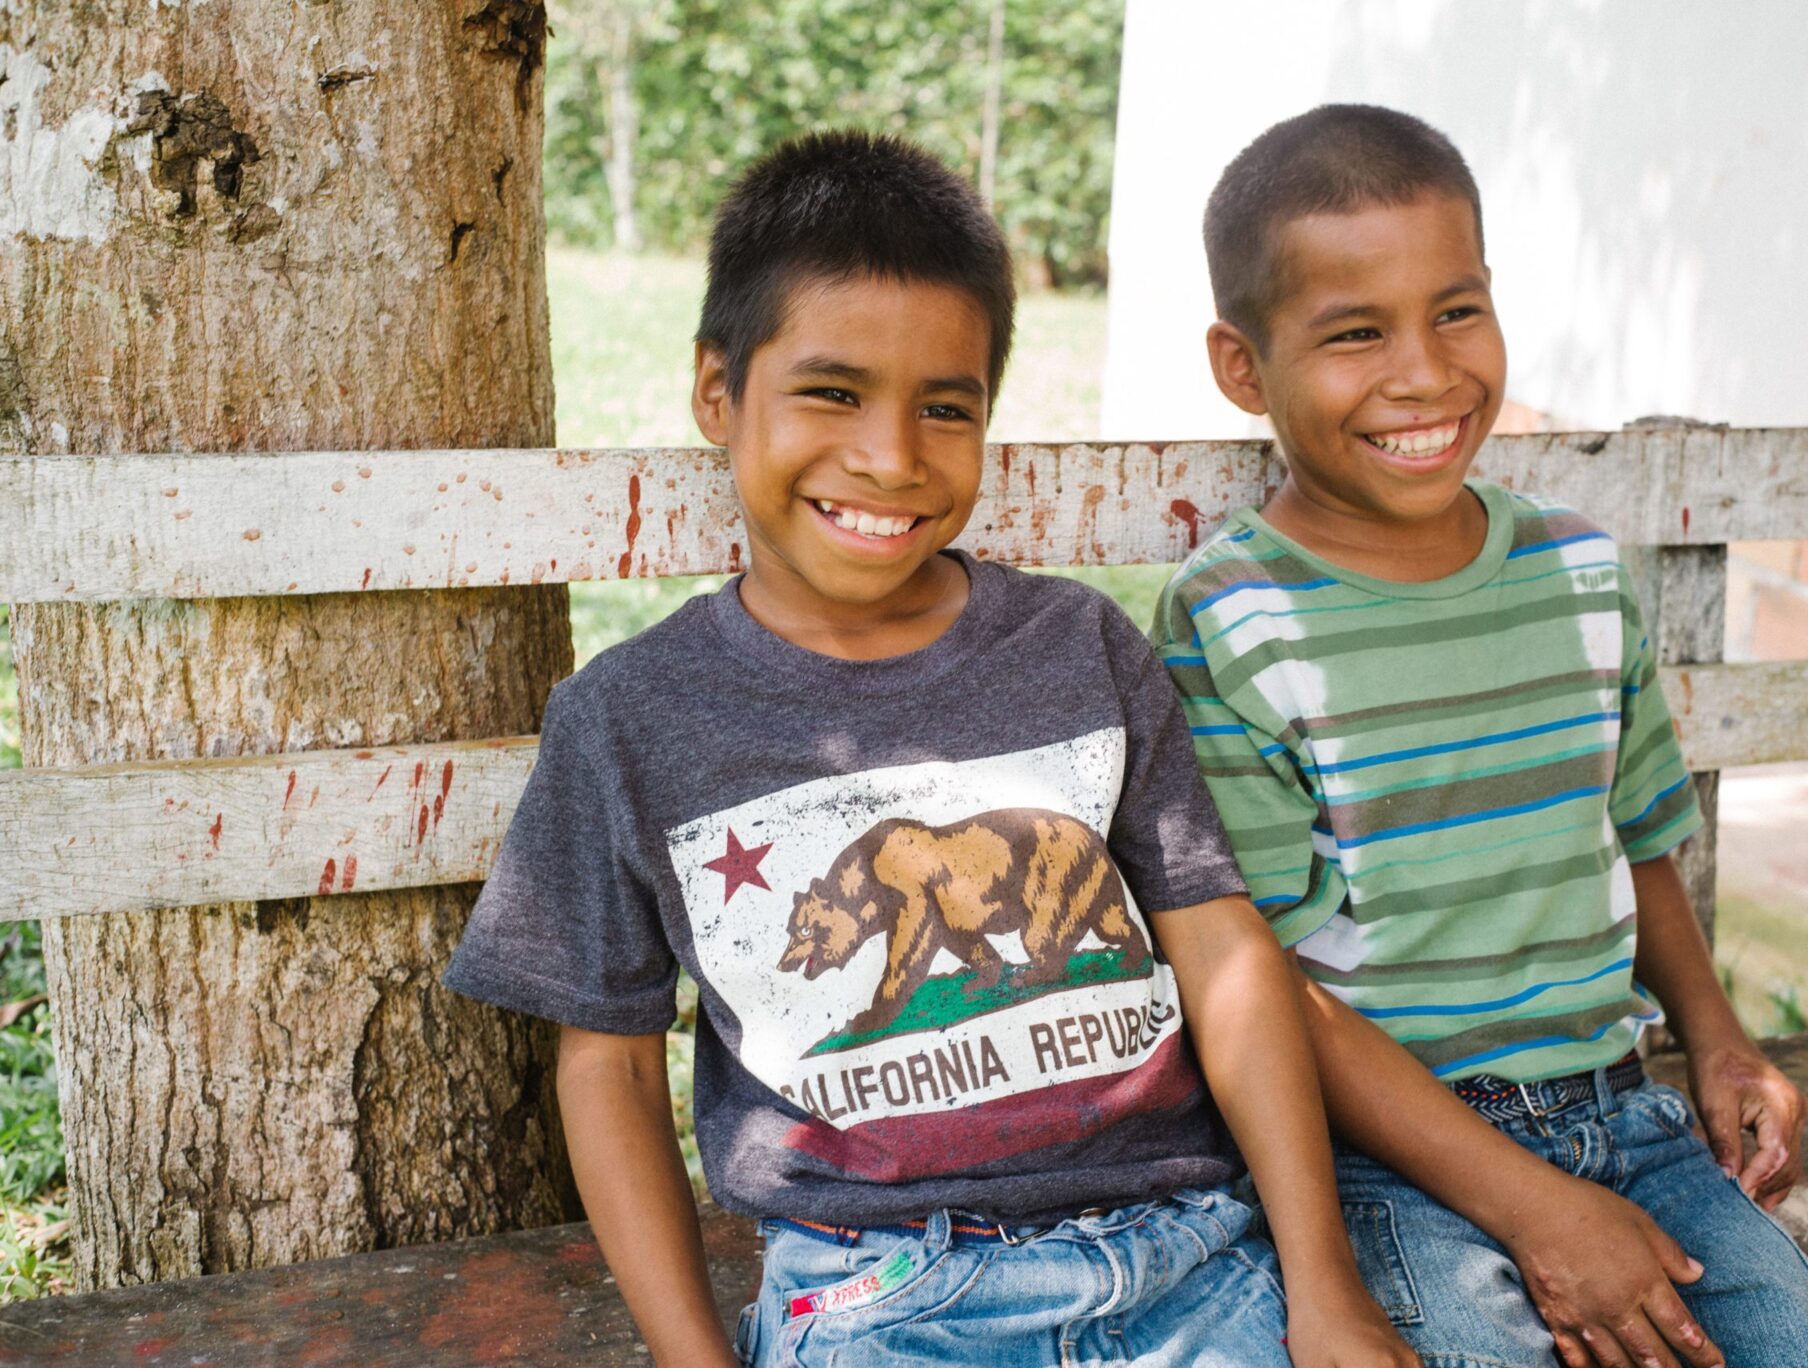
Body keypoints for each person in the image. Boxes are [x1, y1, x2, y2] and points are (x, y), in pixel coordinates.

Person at [445, 129, 1416, 1368]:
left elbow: (1224, 958)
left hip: (1183, 1256)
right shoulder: (627, 718)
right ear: (716, 391)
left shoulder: (1077, 645)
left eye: (943, 409)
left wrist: (1320, 1284)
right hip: (882, 1293)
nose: (891, 459)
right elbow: (611, 1075)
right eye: (832, 393)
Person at [1152, 104, 1808, 1368]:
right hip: (1386, 1154)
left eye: (1456, 310)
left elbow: (1638, 836)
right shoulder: (1233, 617)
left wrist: (1717, 1043)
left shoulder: (1576, 573)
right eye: (1354, 332)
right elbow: (1261, 978)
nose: (1424, 373)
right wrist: (1533, 1206)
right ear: (1242, 366)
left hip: (1628, 1122)